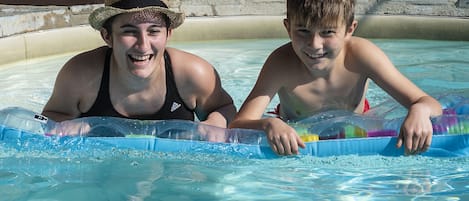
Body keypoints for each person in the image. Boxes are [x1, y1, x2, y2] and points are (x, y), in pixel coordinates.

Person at [229, 0, 442, 156]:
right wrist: (269, 124)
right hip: (296, 133)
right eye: (303, 30)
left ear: (350, 30)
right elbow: (237, 125)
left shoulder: (362, 56)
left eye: (328, 32)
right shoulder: (280, 64)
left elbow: (428, 103)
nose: (314, 44)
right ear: (288, 27)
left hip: (355, 130)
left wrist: (420, 111)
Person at [42, 0, 236, 132]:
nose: (143, 46)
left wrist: (215, 123)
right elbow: (52, 117)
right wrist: (67, 126)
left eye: (153, 31)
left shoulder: (193, 74)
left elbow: (225, 107)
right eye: (129, 32)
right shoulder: (80, 75)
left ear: (168, 34)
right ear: (107, 36)